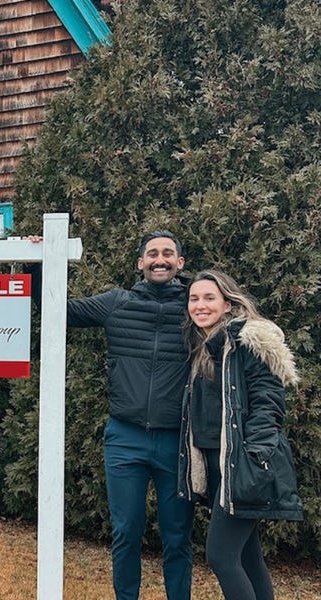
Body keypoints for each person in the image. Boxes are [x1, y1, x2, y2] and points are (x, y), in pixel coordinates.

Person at [45, 230, 195, 600]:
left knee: (177, 536)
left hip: (176, 441)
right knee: (126, 531)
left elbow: (237, 323)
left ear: (180, 263)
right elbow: (56, 307)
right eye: (153, 254)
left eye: (168, 253)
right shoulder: (117, 302)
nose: (160, 259)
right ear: (140, 262)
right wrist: (41, 260)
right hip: (125, 439)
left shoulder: (195, 308)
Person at [179, 269, 302, 600]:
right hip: (219, 464)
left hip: (244, 465)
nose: (200, 305)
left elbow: (268, 404)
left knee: (221, 555)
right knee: (248, 557)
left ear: (228, 303)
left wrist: (254, 457)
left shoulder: (246, 340)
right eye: (194, 298)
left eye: (209, 298)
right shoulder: (205, 345)